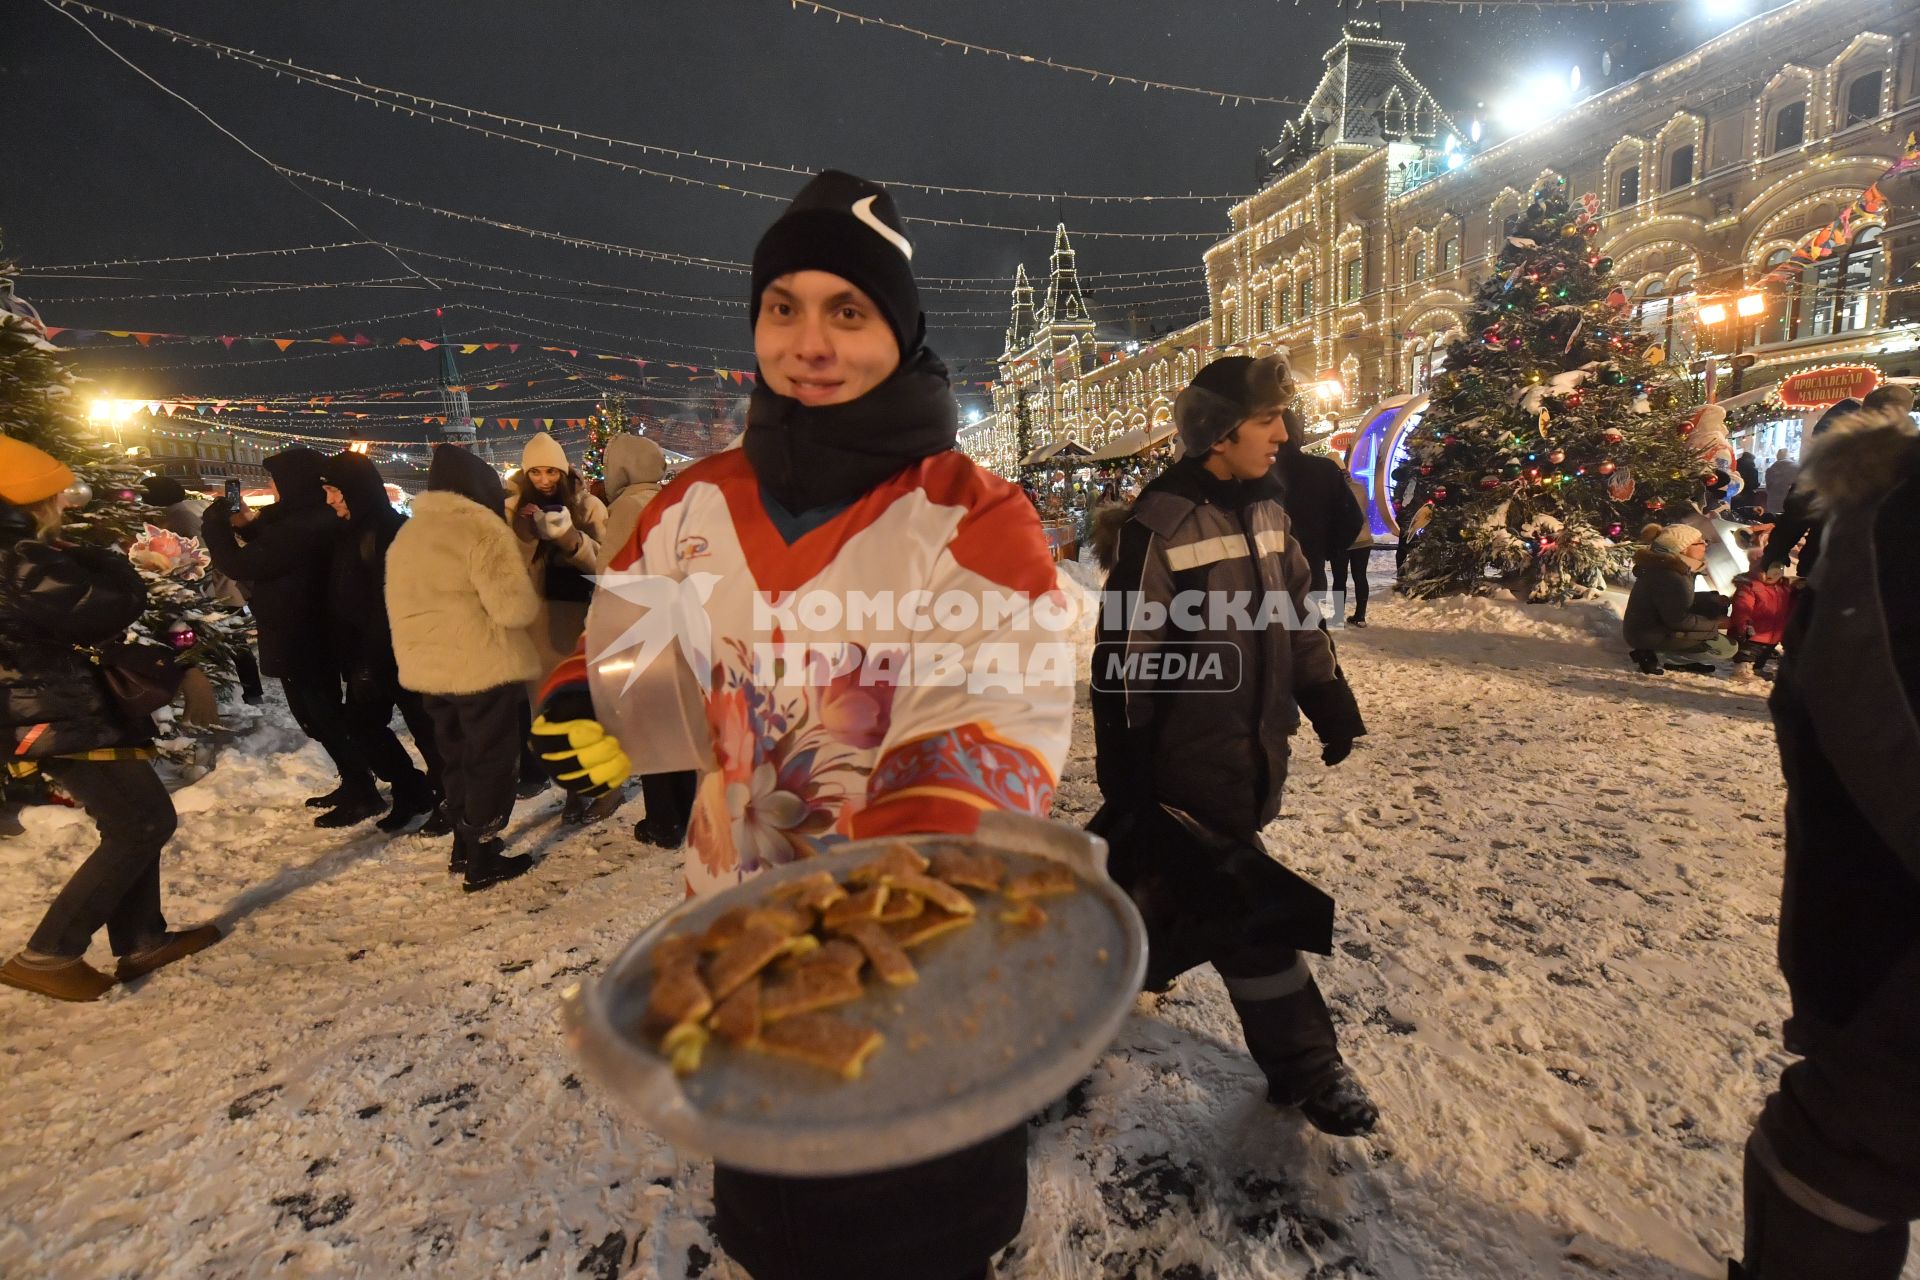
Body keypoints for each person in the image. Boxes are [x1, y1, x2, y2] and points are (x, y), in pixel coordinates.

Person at [530, 170, 1075, 1280]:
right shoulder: (695, 503)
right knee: (776, 1210)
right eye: (784, 307)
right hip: (738, 929)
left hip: (913, 934)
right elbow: (632, 637)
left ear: (900, 329)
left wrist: (891, 884)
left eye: (848, 311)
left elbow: (996, 701)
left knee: (919, 1218)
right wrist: (586, 695)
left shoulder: (967, 508)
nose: (810, 341)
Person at [1090, 352, 1377, 1137]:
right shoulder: (1164, 520)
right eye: (1266, 420)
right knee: (1246, 912)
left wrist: (1327, 698)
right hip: (1186, 763)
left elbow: (1293, 618)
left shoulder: (1270, 511)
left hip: (1252, 752)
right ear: (1218, 433)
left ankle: (1061, 1006)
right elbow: (1125, 658)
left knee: (1140, 905)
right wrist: (1129, 767)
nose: (1283, 433)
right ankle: (1309, 1067)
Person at [1731, 388, 1920, 1279]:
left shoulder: (1890, 525)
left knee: (1836, 1153)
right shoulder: (1891, 520)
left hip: (1887, 961)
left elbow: (1862, 731)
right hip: (1879, 950)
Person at [0, 438, 219, 1001]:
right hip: (52, 706)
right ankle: (50, 952)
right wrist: (110, 560)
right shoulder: (16, 556)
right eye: (54, 494)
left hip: (50, 704)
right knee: (142, 822)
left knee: (135, 819)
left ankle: (142, 937)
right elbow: (105, 605)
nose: (64, 504)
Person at [385, 444, 543, 890]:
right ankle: (481, 855)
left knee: (452, 755)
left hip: (427, 669)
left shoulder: (408, 535)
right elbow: (514, 610)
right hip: (480, 667)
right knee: (491, 759)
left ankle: (462, 844)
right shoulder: (482, 532)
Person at [203, 447, 383, 826]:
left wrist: (215, 526)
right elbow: (276, 546)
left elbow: (240, 563)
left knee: (322, 715)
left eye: (275, 480)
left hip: (305, 635)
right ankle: (355, 781)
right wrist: (248, 526)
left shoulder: (308, 524)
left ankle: (362, 791)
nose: (272, 487)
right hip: (305, 631)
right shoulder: (306, 519)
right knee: (319, 714)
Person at [317, 452, 440, 834]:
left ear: (357, 490)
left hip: (399, 653)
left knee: (427, 730)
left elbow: (390, 601)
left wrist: (371, 660)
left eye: (335, 491)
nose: (330, 500)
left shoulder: (392, 530)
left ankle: (450, 798)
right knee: (362, 725)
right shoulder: (344, 531)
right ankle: (410, 788)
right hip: (362, 655)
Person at [504, 431, 611, 824]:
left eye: (551, 471)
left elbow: (607, 565)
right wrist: (527, 536)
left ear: (564, 469)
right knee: (548, 713)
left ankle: (604, 786)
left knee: (586, 707)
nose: (545, 480)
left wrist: (569, 539)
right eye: (536, 472)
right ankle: (571, 789)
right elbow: (511, 571)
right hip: (539, 625)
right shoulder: (513, 509)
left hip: (583, 623)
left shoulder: (588, 506)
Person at [596, 432, 696, 847]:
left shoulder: (624, 510)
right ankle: (690, 813)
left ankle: (664, 820)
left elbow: (612, 579)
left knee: (653, 730)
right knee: (682, 724)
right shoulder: (673, 503)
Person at [1760, 389, 1914, 579]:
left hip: (1829, 570)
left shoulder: (1838, 455)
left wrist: (1774, 554)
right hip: (1888, 578)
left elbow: (1798, 513)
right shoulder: (1908, 459)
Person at [139, 475, 263, 704]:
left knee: (232, 642)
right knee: (235, 642)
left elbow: (202, 555)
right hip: (219, 588)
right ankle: (250, 693)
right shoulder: (187, 510)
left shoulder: (177, 517)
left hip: (212, 590)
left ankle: (248, 694)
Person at [1270, 394, 1363, 600]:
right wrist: (1324, 550)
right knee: (1309, 628)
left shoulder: (1255, 473)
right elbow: (1352, 520)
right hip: (1310, 573)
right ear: (1298, 434)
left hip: (1265, 581)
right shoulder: (1323, 470)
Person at [1623, 523, 1732, 674]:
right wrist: (1716, 624)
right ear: (1684, 548)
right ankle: (1665, 658)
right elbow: (1678, 619)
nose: (1705, 545)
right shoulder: (1671, 575)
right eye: (1700, 542)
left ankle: (1663, 654)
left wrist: (1711, 598)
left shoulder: (1671, 568)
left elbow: (1674, 601)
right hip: (1647, 635)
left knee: (1712, 606)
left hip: (1644, 628)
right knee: (1718, 641)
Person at [1726, 560, 1795, 685]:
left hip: (1773, 634)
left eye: (1776, 573)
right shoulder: (1750, 587)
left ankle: (1757, 668)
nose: (1768, 577)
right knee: (1748, 652)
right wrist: (1743, 625)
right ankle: (1742, 669)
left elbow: (1789, 608)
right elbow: (1742, 608)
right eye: (1763, 573)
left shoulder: (1783, 589)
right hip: (1752, 632)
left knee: (1764, 653)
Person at [1329, 471, 1374, 627]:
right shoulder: (1360, 488)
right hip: (1363, 539)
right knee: (1360, 577)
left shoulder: (1332, 490)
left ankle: (1339, 616)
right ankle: (1360, 616)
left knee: (1339, 579)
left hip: (1340, 540)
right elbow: (1365, 508)